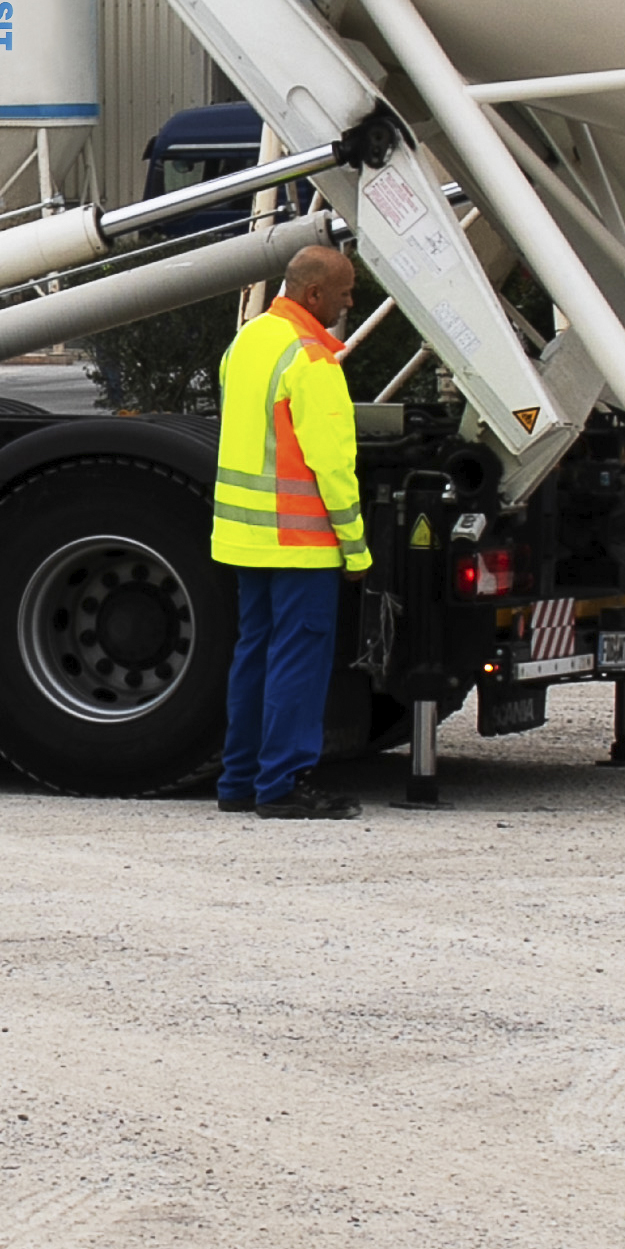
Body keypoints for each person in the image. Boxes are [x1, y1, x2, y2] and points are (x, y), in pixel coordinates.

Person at [211, 236, 371, 820]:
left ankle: (239, 781)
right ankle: (281, 783)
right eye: (345, 294)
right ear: (314, 292)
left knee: (253, 654)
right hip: (300, 542)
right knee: (297, 661)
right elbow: (332, 464)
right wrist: (355, 550)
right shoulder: (310, 358)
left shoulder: (247, 342)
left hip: (244, 536)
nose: (349, 304)